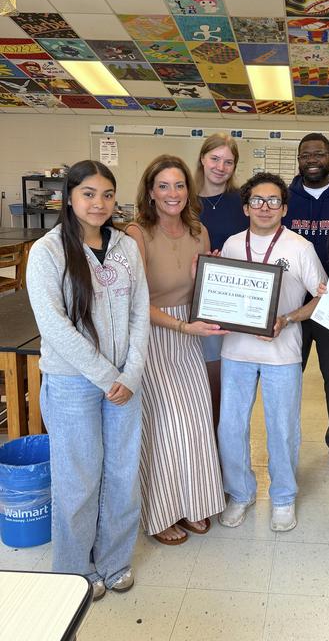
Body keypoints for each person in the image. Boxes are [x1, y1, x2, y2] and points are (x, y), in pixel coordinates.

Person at [26, 160, 150, 601]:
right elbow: (54, 326)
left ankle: (115, 560)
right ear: (69, 197)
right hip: (72, 383)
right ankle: (75, 570)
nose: (99, 203)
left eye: (107, 195)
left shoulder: (125, 247)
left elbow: (140, 311)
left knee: (121, 475)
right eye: (89, 194)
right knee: (78, 480)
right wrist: (105, 376)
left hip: (125, 383)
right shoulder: (48, 251)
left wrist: (131, 372)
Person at [218, 172, 326, 533]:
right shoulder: (231, 245)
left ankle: (282, 496)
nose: (265, 208)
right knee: (231, 426)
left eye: (274, 201)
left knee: (282, 428)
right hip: (236, 351)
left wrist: (288, 318)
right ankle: (240, 492)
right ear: (246, 207)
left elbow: (320, 298)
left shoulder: (300, 247)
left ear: (284, 209)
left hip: (284, 353)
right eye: (258, 201)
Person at [127, 155, 226, 546]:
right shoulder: (136, 233)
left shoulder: (199, 231)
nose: (173, 193)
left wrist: (209, 278)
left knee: (198, 419)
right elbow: (136, 303)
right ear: (150, 192)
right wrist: (183, 325)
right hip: (153, 336)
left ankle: (193, 501)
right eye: (164, 186)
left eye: (180, 185)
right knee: (168, 424)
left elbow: (201, 287)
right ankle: (160, 512)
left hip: (190, 330)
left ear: (190, 189)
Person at [283, 132, 329, 476]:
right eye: (305, 155)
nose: (312, 159)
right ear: (299, 159)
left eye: (319, 154)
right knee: (286, 376)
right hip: (291, 304)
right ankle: (284, 444)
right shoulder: (284, 199)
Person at [194, 132, 248, 429]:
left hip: (233, 300)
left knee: (223, 376)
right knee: (196, 374)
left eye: (228, 161)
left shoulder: (241, 201)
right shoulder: (183, 198)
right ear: (202, 159)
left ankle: (217, 438)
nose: (220, 166)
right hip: (192, 297)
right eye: (215, 158)